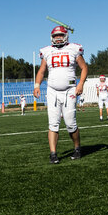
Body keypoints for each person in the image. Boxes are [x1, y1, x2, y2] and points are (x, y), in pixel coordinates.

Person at [34, 25, 87, 164]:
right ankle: (53, 154)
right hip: (52, 90)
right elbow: (41, 70)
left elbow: (84, 67)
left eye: (60, 35)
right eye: (55, 36)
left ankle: (77, 148)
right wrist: (37, 85)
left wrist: (80, 83)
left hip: (70, 89)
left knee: (70, 123)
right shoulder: (46, 51)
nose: (58, 38)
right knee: (53, 124)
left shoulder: (74, 49)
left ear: (66, 36)